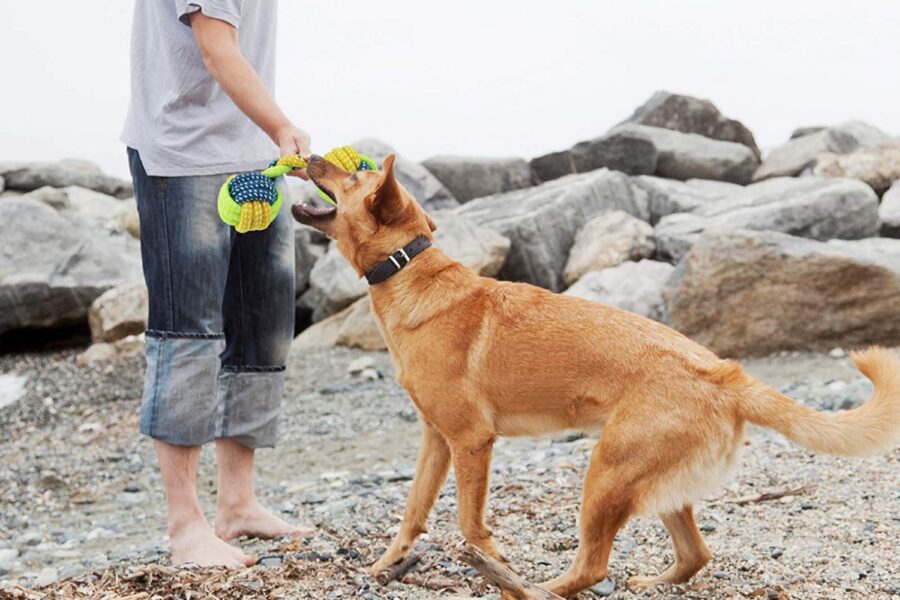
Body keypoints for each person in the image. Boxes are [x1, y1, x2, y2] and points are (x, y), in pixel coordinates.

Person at [121, 0, 312, 567]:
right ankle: (185, 528)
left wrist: (269, 136)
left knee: (263, 327)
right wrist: (281, 124)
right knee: (188, 333)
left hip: (253, 155)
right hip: (184, 153)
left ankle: (238, 503)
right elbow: (215, 45)